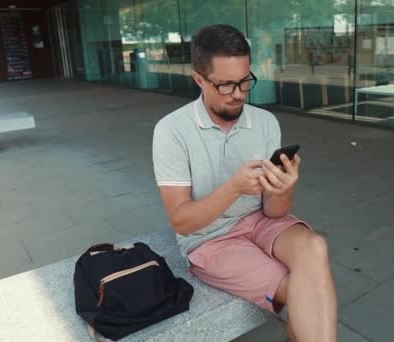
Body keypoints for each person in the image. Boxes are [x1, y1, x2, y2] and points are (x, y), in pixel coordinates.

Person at [152, 24, 337, 342]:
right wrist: (234, 188)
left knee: (314, 246)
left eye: (244, 81)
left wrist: (284, 187)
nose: (238, 94)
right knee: (307, 289)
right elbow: (181, 221)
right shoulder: (171, 131)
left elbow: (276, 211)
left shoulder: (265, 122)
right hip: (209, 239)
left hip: (261, 221)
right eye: (226, 85)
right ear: (199, 79)